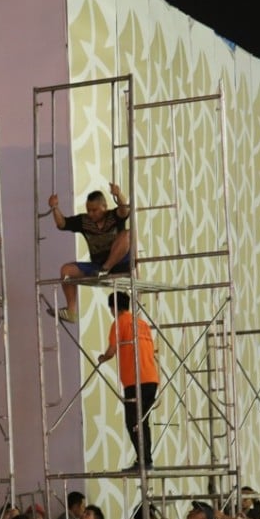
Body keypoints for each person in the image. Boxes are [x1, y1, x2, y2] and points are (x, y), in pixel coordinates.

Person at [47, 183, 131, 323]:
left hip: (120, 263)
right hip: (97, 266)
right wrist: (54, 207)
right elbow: (62, 224)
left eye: (95, 210)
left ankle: (107, 268)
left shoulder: (114, 216)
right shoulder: (84, 221)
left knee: (127, 234)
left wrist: (118, 194)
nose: (91, 213)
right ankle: (71, 311)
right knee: (66, 270)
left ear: (104, 207)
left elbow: (125, 210)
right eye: (89, 210)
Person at [97, 292, 159, 472]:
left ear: (113, 307)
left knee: (133, 421)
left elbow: (112, 350)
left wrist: (103, 358)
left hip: (135, 380)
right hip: (151, 379)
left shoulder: (120, 323)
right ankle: (146, 460)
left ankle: (144, 460)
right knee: (142, 422)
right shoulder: (142, 324)